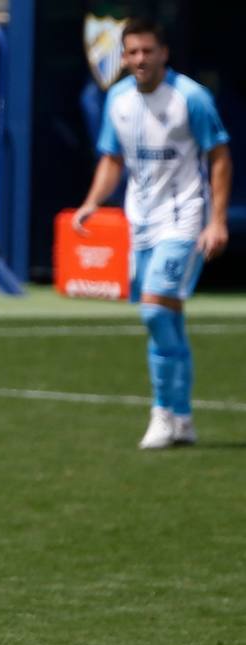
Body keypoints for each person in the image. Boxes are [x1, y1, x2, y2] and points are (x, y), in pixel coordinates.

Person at [73, 18, 231, 450]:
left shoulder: (191, 99)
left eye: (148, 51)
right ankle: (182, 419)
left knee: (155, 312)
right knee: (167, 318)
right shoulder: (118, 100)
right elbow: (112, 159)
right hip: (140, 221)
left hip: (184, 219)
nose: (140, 59)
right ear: (123, 57)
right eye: (132, 52)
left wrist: (217, 221)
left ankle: (163, 412)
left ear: (164, 54)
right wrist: (92, 202)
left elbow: (219, 156)